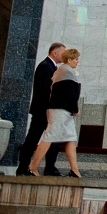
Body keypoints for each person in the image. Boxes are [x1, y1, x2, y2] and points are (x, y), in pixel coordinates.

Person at [28, 48, 84, 178]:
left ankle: (75, 171)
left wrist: (73, 109)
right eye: (76, 59)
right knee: (49, 137)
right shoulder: (66, 71)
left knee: (71, 138)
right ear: (69, 60)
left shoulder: (65, 70)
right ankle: (32, 167)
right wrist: (75, 109)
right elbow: (70, 94)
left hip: (63, 110)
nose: (77, 62)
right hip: (59, 110)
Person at [16, 42, 66, 176]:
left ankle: (49, 167)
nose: (65, 55)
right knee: (33, 139)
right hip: (42, 111)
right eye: (63, 52)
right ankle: (23, 167)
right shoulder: (45, 67)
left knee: (53, 139)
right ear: (55, 53)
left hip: (48, 110)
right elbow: (46, 90)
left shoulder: (52, 67)